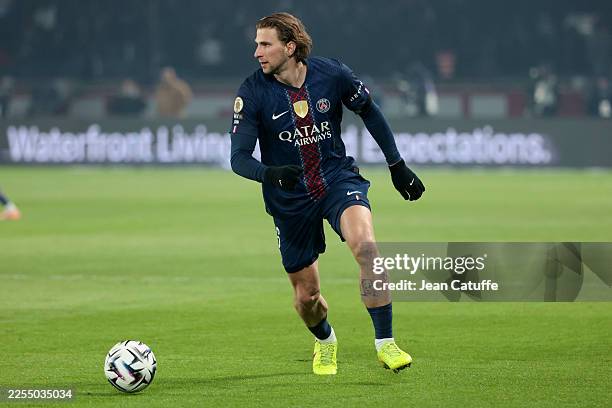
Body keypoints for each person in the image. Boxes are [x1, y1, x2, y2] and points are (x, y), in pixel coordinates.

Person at [230, 12, 425, 375]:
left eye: (265, 44)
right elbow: (238, 158)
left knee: (367, 248)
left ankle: (386, 343)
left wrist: (396, 164)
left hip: (336, 180)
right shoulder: (253, 91)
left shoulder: (332, 74)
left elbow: (369, 111)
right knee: (307, 298)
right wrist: (270, 174)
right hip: (290, 198)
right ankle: (325, 340)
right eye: (257, 44)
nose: (257, 52)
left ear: (290, 47)